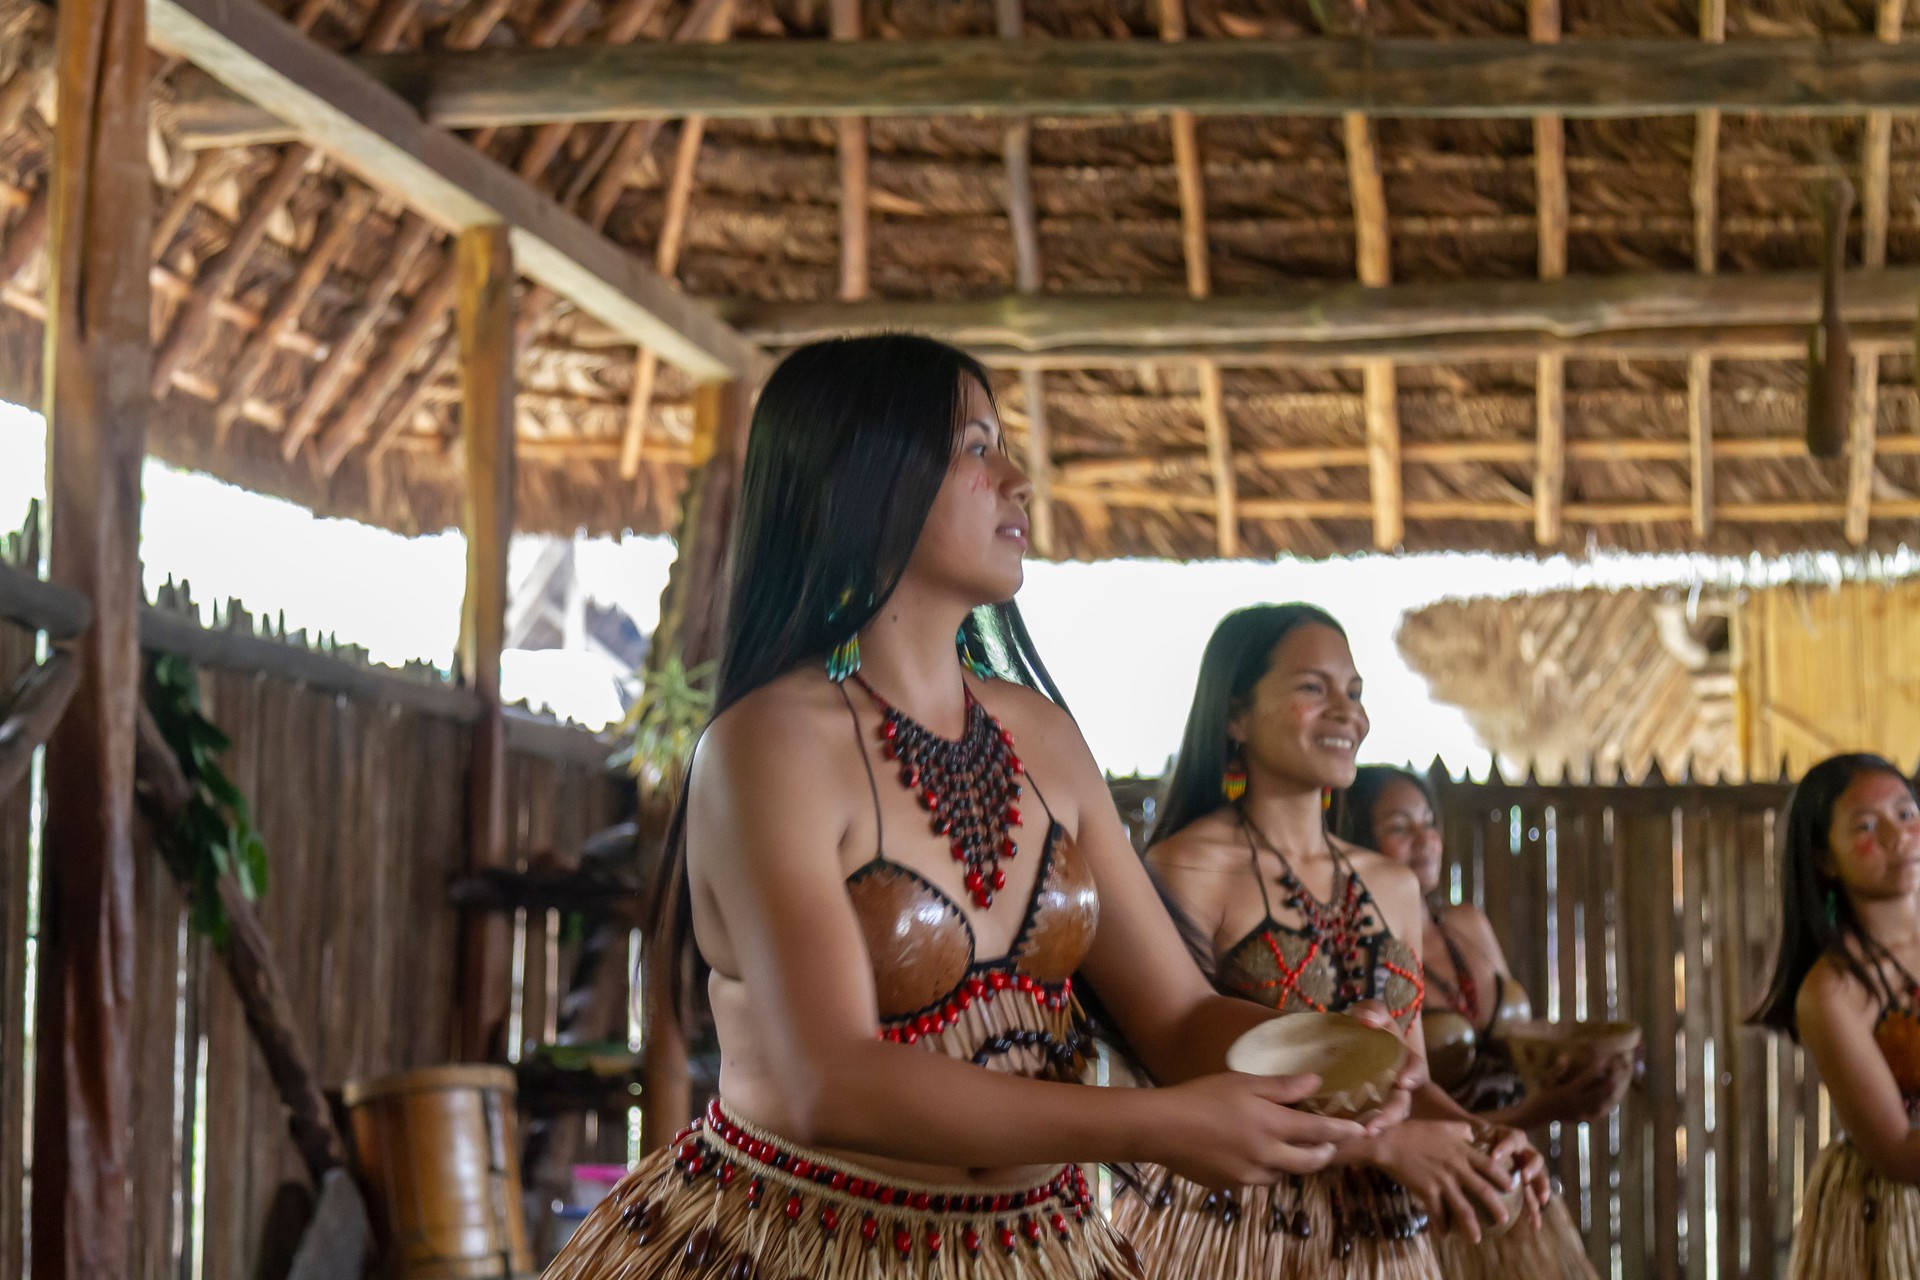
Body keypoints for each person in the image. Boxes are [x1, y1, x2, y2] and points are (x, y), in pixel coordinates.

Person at [543, 336, 1378, 1280]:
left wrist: (1328, 1067)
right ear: (865, 482)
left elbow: (1179, 1019)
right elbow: (833, 1082)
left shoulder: (1044, 740)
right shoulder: (767, 747)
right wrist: (1151, 1126)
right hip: (798, 1248)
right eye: (977, 449)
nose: (1019, 480)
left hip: (1031, 1250)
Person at [1110, 604, 1548, 1279]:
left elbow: (1410, 1074)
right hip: (1232, 1234)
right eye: (1313, 688)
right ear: (1235, 716)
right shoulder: (1185, 869)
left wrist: (1480, 1133)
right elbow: (1173, 1078)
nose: (1347, 713)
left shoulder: (1393, 884)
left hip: (1381, 1239)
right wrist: (1386, 1144)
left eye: (1355, 692)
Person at [1338, 765, 1620, 1280]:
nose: (1425, 841)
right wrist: (1537, 1112)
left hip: (1512, 1181)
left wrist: (1590, 1071)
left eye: (1429, 822)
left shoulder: (1468, 923)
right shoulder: (1361, 954)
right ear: (1357, 839)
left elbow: (1525, 1052)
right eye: (1400, 827)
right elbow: (1396, 1111)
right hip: (1437, 1206)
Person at [1752, 753, 1920, 1277]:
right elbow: (1899, 1153)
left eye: (1906, 813)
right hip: (1897, 1216)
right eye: (1868, 826)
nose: (1899, 836)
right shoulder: (1832, 993)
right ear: (1826, 858)